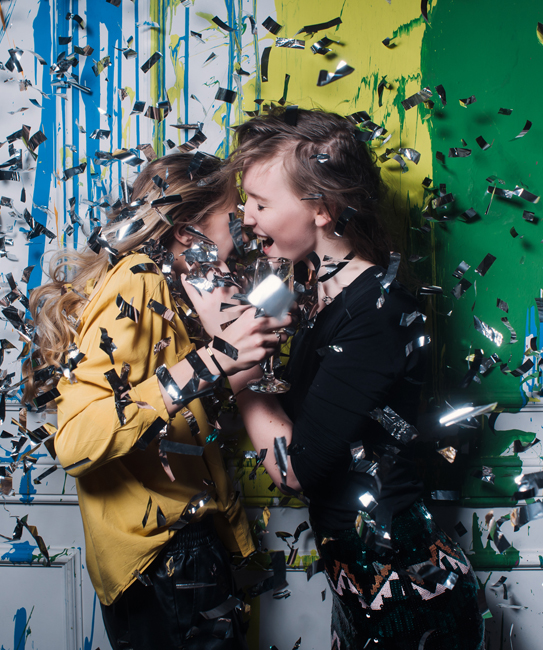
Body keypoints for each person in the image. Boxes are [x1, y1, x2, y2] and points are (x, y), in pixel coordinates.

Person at [187, 109, 485, 649]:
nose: (246, 218)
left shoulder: (378, 313)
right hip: (360, 586)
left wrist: (235, 362)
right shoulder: (308, 284)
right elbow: (240, 316)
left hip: (408, 596)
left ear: (322, 209)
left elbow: (294, 471)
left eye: (260, 204)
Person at [26, 152, 286, 650]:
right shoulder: (139, 280)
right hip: (168, 558)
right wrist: (212, 360)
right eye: (233, 215)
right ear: (188, 231)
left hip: (173, 552)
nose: (245, 228)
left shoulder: (171, 286)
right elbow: (74, 444)